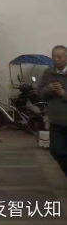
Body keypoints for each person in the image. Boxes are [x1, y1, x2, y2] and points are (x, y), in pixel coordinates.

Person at [38, 45, 67, 178]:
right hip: (56, 122)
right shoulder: (48, 73)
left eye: (59, 57)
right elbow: (40, 95)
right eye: (53, 56)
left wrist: (63, 94)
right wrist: (48, 88)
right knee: (56, 151)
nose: (56, 59)